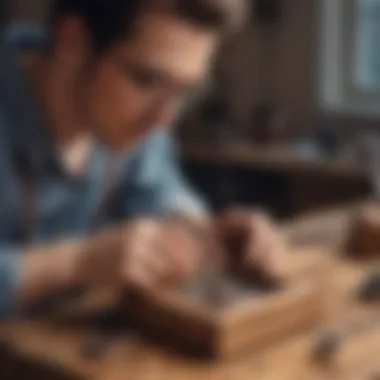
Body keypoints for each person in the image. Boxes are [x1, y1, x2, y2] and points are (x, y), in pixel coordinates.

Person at [0, 0, 284, 318]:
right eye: (147, 81)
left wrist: (207, 234)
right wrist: (79, 263)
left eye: (185, 91)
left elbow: (163, 194)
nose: (165, 118)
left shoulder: (131, 123)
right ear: (73, 42)